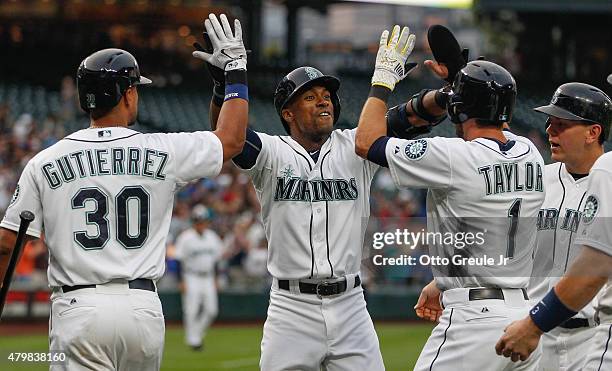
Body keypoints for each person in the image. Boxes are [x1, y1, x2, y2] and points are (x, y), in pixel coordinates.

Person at [0, 13, 248, 370]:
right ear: (128, 94)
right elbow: (232, 140)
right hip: (141, 307)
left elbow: (8, 243)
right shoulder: (163, 149)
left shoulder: (44, 161)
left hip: (78, 306)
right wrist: (234, 75)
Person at [193, 21, 385, 371]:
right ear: (288, 113)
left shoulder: (358, 146)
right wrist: (225, 87)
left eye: (326, 96)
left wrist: (432, 93)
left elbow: (409, 117)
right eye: (310, 97)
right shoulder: (271, 153)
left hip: (352, 303)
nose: (323, 101)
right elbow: (230, 136)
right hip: (291, 308)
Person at [354, 25, 545, 370]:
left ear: (459, 108)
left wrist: (382, 80)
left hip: (474, 321)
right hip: (521, 314)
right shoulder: (529, 151)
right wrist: (459, 84)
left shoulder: (454, 156)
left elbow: (366, 142)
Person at [495, 85, 612, 370]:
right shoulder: (538, 181)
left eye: (561, 125)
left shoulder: (608, 180)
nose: (550, 130)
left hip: (593, 334)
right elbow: (503, 242)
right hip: (536, 334)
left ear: (592, 133)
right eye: (550, 122)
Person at [175, 204, 223, 351]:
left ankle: (196, 334)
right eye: (198, 221)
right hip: (191, 276)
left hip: (208, 277)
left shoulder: (212, 237)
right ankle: (193, 340)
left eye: (203, 220)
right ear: (193, 221)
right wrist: (181, 281)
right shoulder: (186, 237)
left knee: (212, 310)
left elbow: (216, 261)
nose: (201, 223)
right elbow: (178, 259)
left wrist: (216, 278)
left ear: (208, 221)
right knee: (191, 309)